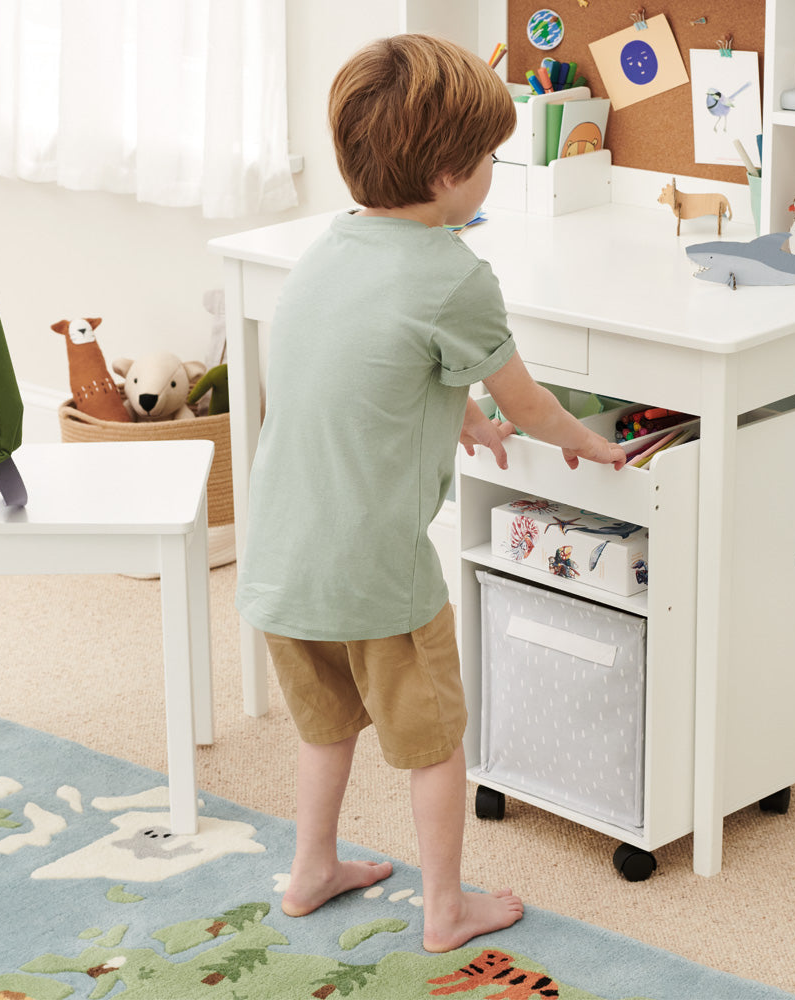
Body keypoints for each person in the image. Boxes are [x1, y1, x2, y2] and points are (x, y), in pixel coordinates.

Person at [235, 32, 626, 954]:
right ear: (452, 174)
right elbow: (529, 405)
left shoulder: (328, 253)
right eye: (491, 158)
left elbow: (369, 374)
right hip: (380, 574)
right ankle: (446, 906)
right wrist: (588, 445)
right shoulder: (455, 274)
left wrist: (457, 414)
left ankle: (311, 870)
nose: (493, 170)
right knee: (434, 741)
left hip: (283, 562)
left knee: (327, 727)